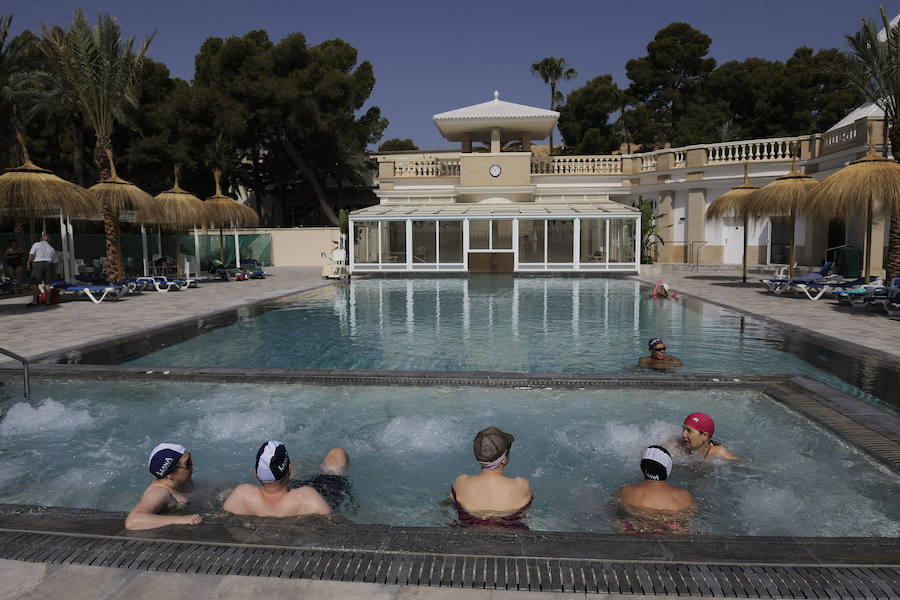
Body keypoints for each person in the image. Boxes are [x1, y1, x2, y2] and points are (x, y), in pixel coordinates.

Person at [223, 440, 347, 517]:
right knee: (337, 454)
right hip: (303, 499)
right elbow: (332, 520)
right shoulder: (307, 497)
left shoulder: (241, 495)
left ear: (256, 473)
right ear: (289, 470)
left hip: (284, 494)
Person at [450, 426, 532, 529]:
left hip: (468, 535)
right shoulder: (521, 485)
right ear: (504, 459)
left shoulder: (460, 482)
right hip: (510, 540)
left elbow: (449, 505)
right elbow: (526, 515)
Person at [614, 445, 694, 534]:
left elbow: (612, 510)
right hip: (674, 532)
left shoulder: (626, 492)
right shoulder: (684, 495)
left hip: (639, 530)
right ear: (668, 469)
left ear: (642, 467)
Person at [125, 443, 203, 530]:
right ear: (170, 475)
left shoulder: (183, 479)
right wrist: (181, 519)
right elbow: (132, 521)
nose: (193, 464)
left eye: (190, 458)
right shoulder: (159, 493)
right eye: (187, 463)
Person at [25, 232, 58, 306]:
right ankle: (48, 301)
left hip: (38, 264)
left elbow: (31, 254)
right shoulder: (51, 248)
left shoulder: (36, 244)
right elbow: (55, 262)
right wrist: (54, 271)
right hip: (49, 265)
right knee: (47, 284)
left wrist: (29, 263)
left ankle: (35, 302)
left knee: (35, 283)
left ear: (41, 239)